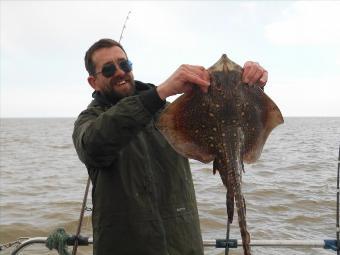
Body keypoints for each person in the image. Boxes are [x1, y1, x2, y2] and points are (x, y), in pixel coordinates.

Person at [72, 38, 267, 255]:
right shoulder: (89, 121)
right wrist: (160, 92)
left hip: (182, 244)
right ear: (93, 81)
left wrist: (253, 88)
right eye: (108, 69)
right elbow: (93, 146)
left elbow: (229, 117)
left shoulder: (170, 114)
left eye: (124, 64)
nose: (119, 72)